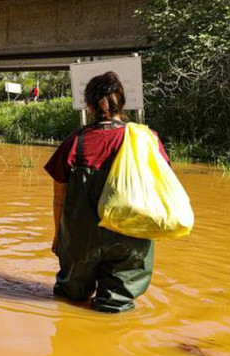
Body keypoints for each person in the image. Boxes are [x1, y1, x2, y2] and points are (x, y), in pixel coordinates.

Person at [44, 71, 171, 313]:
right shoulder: (147, 139)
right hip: (132, 236)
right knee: (116, 305)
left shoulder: (76, 142)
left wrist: (58, 235)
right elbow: (162, 187)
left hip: (82, 239)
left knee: (70, 299)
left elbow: (59, 198)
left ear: (89, 106)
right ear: (122, 102)